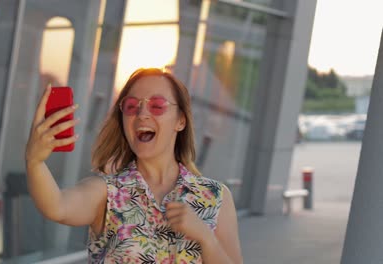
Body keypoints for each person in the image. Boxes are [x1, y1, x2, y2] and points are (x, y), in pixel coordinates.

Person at [25, 68, 243, 263]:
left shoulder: (216, 197)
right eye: (131, 106)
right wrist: (35, 162)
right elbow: (57, 206)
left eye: (157, 106)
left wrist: (206, 239)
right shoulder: (107, 192)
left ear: (181, 121)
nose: (142, 114)